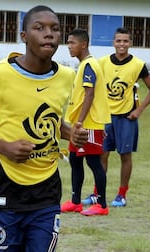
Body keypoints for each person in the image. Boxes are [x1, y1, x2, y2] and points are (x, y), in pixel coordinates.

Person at [0, 5, 88, 252]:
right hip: (2, 186)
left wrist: (70, 133)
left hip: (47, 190)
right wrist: (3, 146)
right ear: (24, 36)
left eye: (55, 29)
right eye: (39, 28)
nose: (48, 34)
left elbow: (49, 120)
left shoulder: (67, 77)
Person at [83, 27, 150, 207]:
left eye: (125, 41)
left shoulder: (138, 65)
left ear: (130, 43)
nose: (122, 44)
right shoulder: (102, 63)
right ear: (113, 43)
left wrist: (138, 111)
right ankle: (97, 193)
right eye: (119, 41)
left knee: (125, 155)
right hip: (105, 117)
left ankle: (122, 194)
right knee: (102, 154)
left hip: (126, 118)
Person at [60, 29, 111, 216]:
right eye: (68, 43)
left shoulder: (89, 64)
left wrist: (80, 122)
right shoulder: (83, 65)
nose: (69, 46)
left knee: (93, 162)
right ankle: (75, 202)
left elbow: (89, 94)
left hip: (89, 124)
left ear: (83, 44)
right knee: (75, 160)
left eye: (72, 43)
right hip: (79, 124)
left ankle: (102, 205)